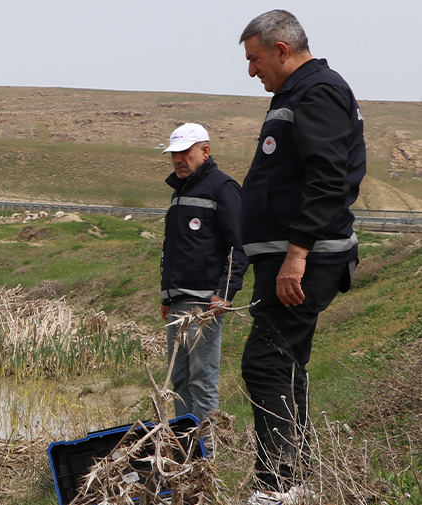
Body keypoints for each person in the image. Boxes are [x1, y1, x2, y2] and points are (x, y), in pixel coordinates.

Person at [238, 10, 365, 503]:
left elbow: (329, 178)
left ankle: (277, 488)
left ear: (281, 49)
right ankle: (299, 480)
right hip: (294, 255)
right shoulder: (297, 94)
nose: (251, 72)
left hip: (308, 258)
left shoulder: (318, 91)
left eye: (254, 59)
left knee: (266, 363)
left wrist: (296, 255)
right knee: (284, 362)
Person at [160, 123, 247, 426]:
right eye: (173, 154)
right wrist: (166, 294)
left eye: (184, 152)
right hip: (177, 302)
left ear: (205, 151)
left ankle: (206, 457)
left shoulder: (223, 188)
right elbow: (172, 249)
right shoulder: (179, 192)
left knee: (202, 381)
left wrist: (224, 293)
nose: (177, 160)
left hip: (204, 307)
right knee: (180, 381)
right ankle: (185, 454)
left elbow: (240, 246)